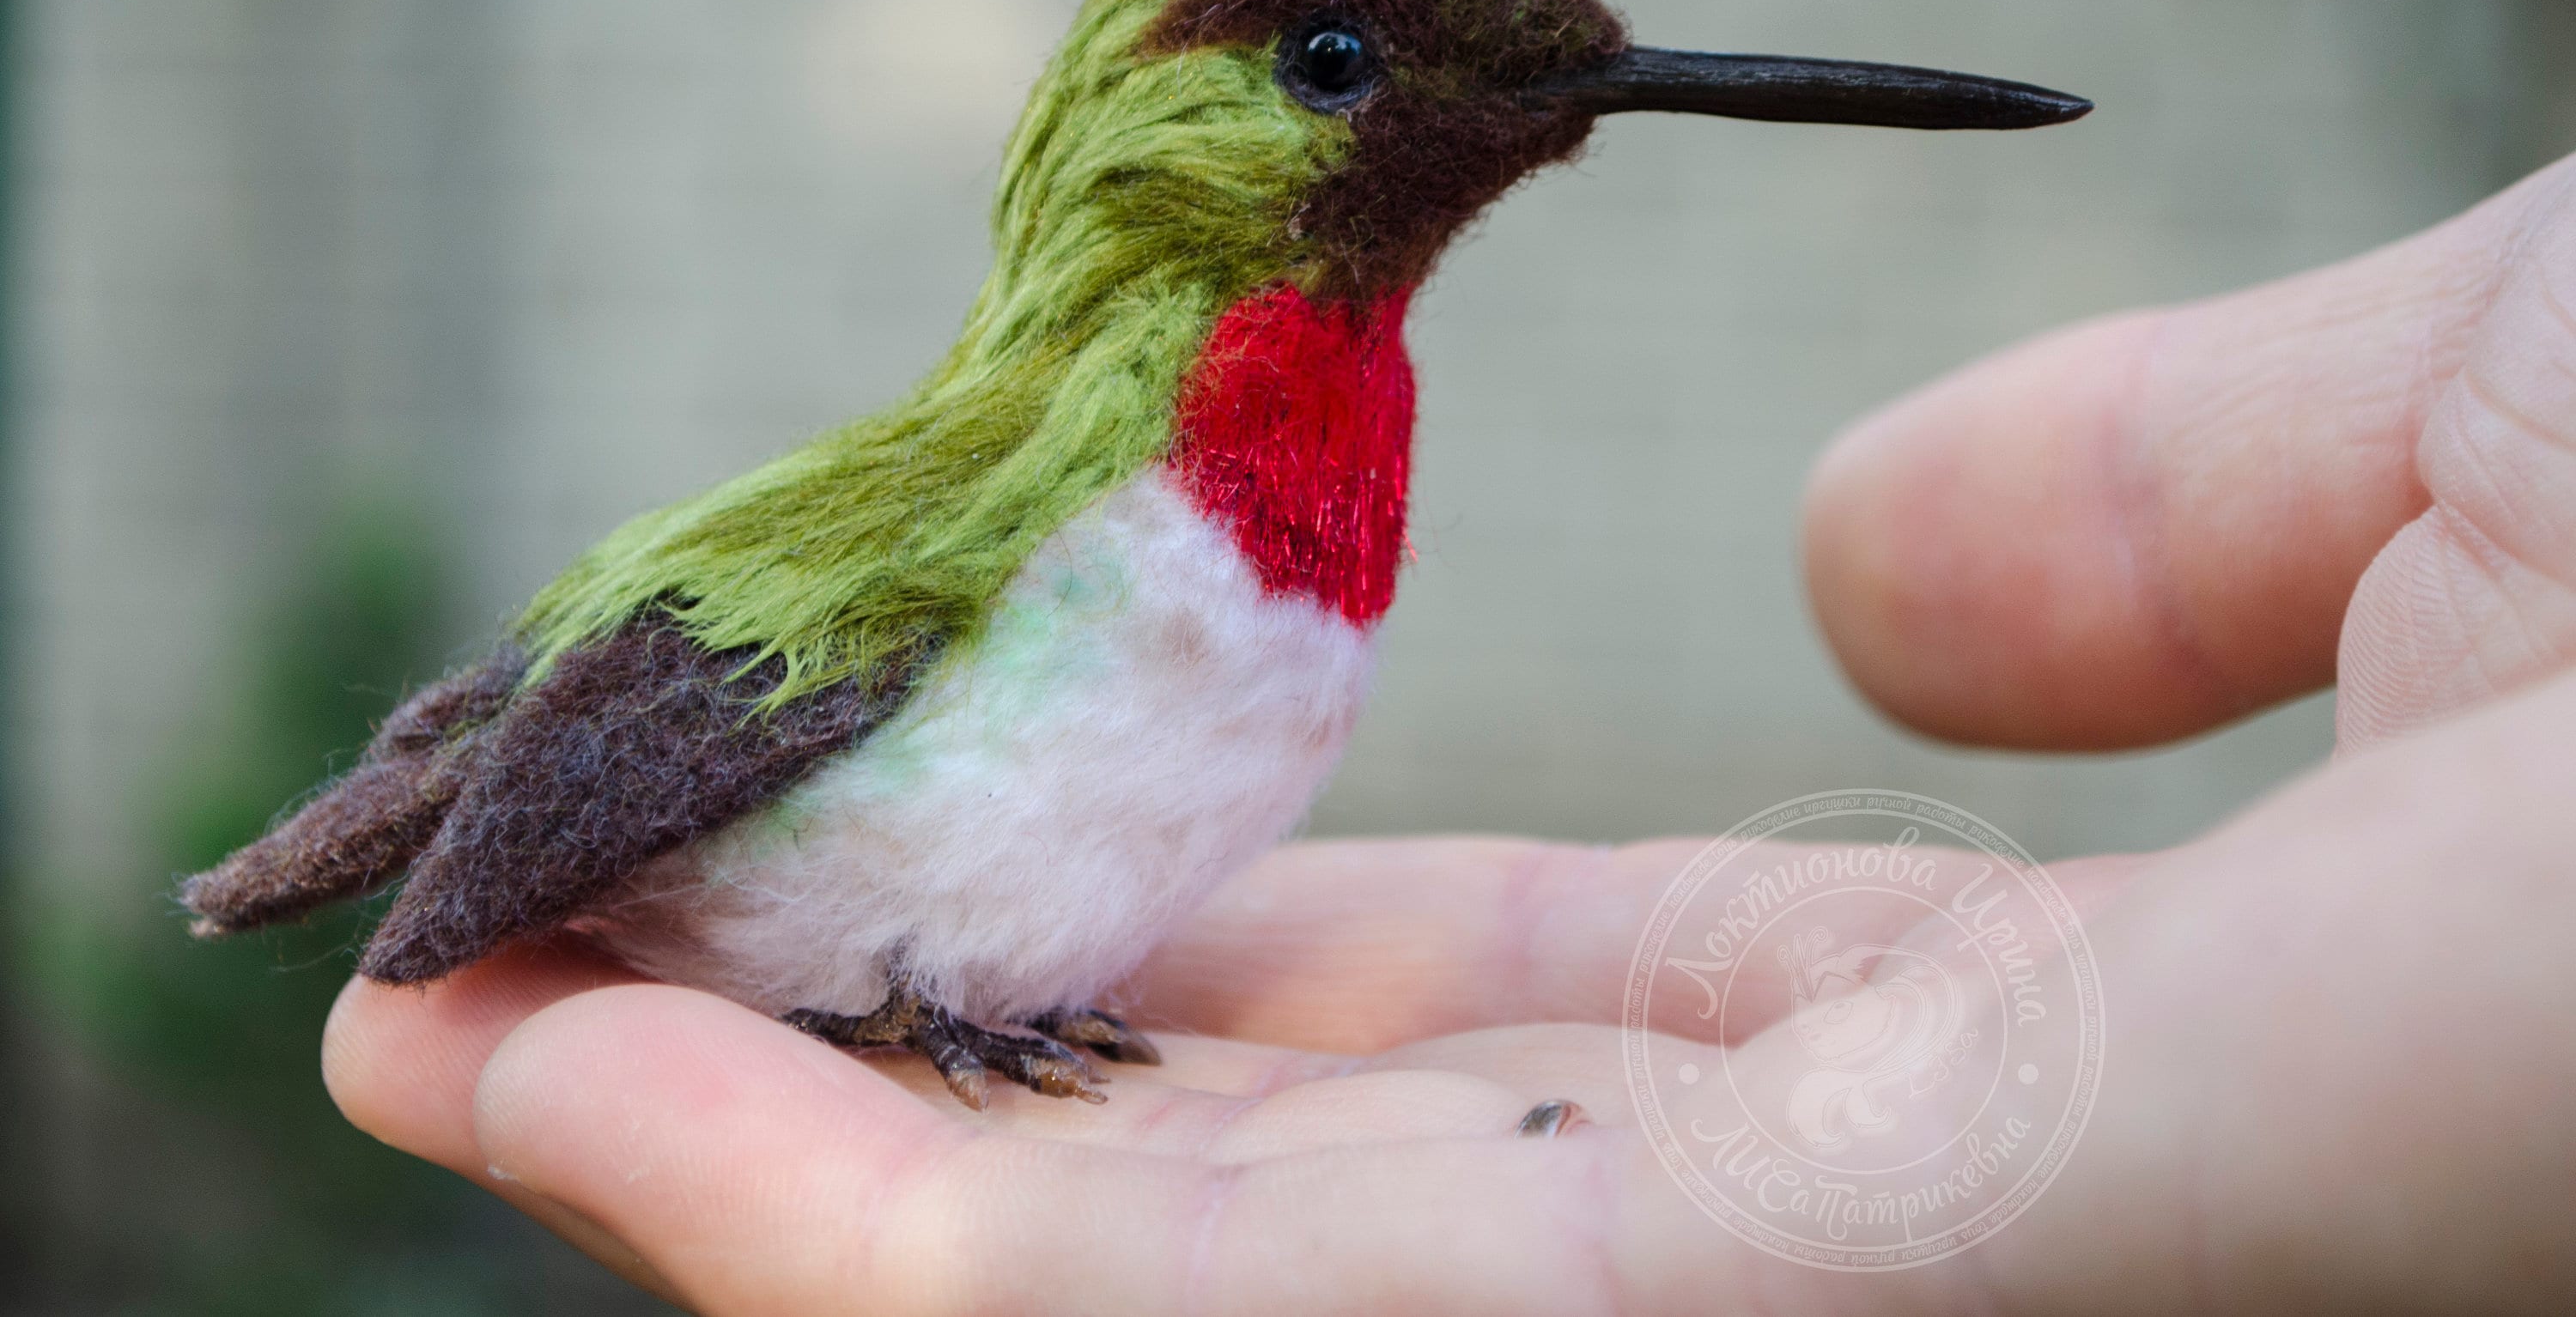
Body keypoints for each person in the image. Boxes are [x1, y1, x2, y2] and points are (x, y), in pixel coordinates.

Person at [322, 160, 2576, 1313]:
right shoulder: (1054, 472)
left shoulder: (1325, 440)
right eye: (1330, 61)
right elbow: (752, 685)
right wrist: (484, 847)